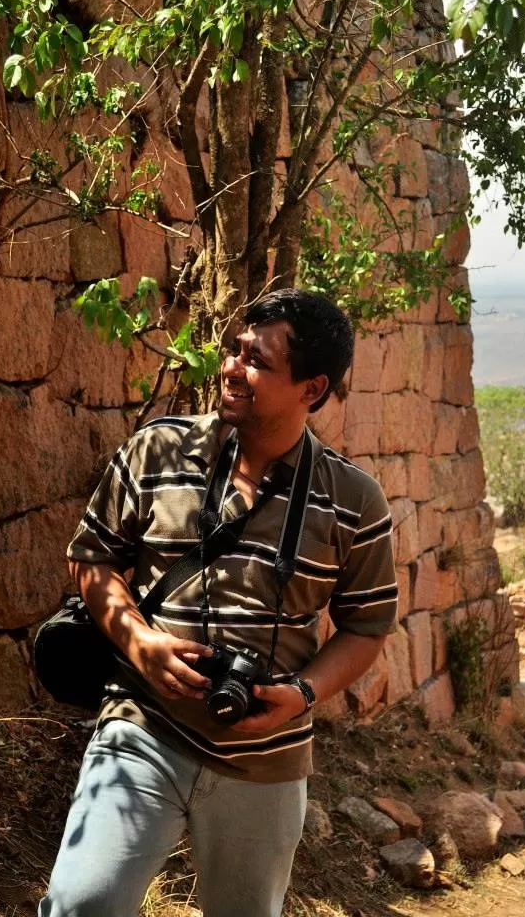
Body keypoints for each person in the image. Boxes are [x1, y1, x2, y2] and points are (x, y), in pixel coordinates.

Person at [39, 288, 398, 917]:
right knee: (81, 902)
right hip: (144, 725)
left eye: (256, 360)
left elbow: (366, 626)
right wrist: (140, 645)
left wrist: (305, 694)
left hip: (266, 762)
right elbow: (91, 558)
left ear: (310, 389)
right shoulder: (158, 450)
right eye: (235, 350)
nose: (231, 367)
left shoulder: (354, 500)